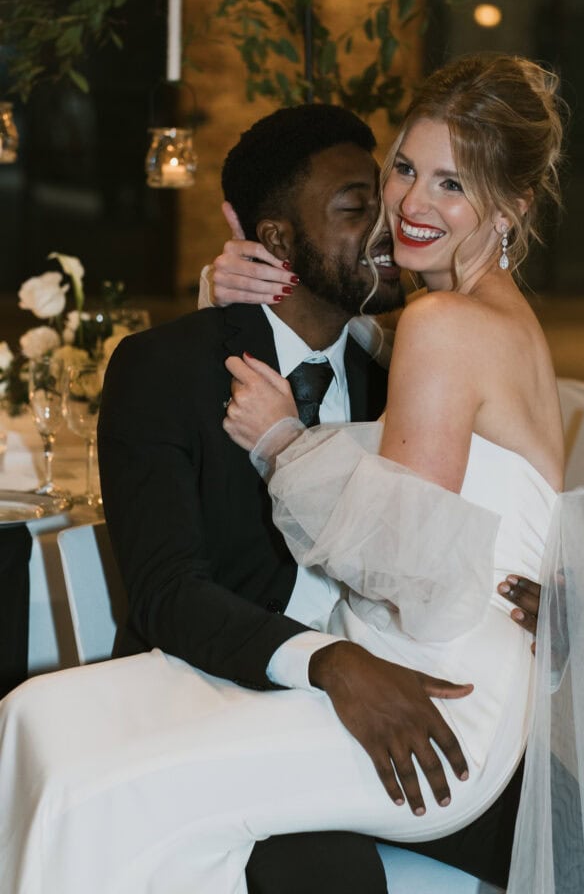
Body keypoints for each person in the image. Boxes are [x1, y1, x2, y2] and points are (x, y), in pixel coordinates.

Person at [0, 98, 540, 894]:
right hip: (238, 676)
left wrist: (538, 586)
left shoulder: (408, 371)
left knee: (306, 859)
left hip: (404, 699)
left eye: (389, 197)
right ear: (277, 238)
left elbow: (496, 511)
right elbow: (168, 593)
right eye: (364, 204)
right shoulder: (170, 368)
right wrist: (326, 662)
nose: (394, 223)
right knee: (31, 721)